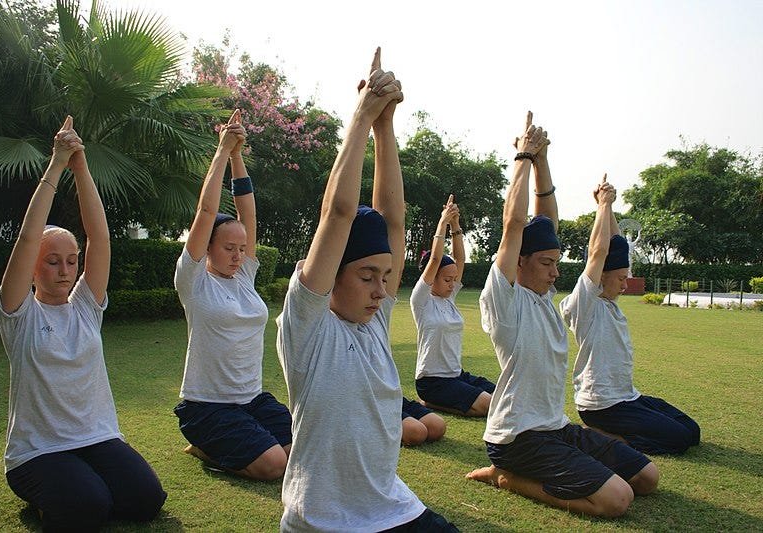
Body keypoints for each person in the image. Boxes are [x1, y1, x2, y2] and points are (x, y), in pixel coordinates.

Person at [276, 49, 458, 532]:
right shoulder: (306, 326)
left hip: (389, 507)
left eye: (386, 276)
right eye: (366, 276)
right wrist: (360, 116)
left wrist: (386, 127)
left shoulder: (374, 318)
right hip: (323, 520)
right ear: (331, 274)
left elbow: (393, 221)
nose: (382, 291)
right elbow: (337, 215)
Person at [466, 112, 659, 518]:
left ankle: (532, 471)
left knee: (646, 477)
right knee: (617, 500)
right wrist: (521, 157)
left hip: (555, 427)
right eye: (546, 263)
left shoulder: (541, 294)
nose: (556, 272)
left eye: (557, 262)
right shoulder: (506, 300)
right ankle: (508, 477)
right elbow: (515, 224)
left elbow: (544, 221)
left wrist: (543, 160)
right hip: (517, 437)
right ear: (518, 263)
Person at [0, 116, 166, 531]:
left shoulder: (86, 306)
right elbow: (26, 238)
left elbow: (100, 238)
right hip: (37, 451)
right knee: (89, 509)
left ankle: (75, 489)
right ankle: (46, 497)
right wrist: (56, 164)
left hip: (95, 437)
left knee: (146, 501)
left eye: (71, 261)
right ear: (33, 267)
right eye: (52, 261)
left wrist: (81, 165)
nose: (65, 270)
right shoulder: (19, 312)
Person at [173, 109, 292, 480]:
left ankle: (230, 445)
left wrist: (239, 155)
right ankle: (205, 447)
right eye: (229, 248)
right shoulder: (193, 281)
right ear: (207, 248)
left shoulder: (243, 277)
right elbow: (207, 211)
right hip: (208, 406)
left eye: (242, 248)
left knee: (303, 447)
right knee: (275, 466)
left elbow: (248, 215)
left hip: (251, 399)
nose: (238, 255)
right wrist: (223, 151)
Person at [559, 175, 700, 455]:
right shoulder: (585, 304)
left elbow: (613, 244)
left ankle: (616, 431)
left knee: (691, 430)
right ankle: (603, 436)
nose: (625, 284)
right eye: (621, 278)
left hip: (627, 397)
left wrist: (609, 208)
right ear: (600, 277)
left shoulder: (609, 303)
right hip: (602, 406)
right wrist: (602, 205)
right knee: (679, 441)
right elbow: (598, 252)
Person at [410, 195, 495, 417]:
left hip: (456, 375)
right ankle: (431, 402)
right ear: (432, 278)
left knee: (503, 397)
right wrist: (442, 222)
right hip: (432, 381)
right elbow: (435, 260)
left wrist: (455, 224)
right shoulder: (421, 301)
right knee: (490, 406)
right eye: (447, 280)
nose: (452, 284)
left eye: (453, 279)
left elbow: (459, 259)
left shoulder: (449, 299)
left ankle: (438, 402)